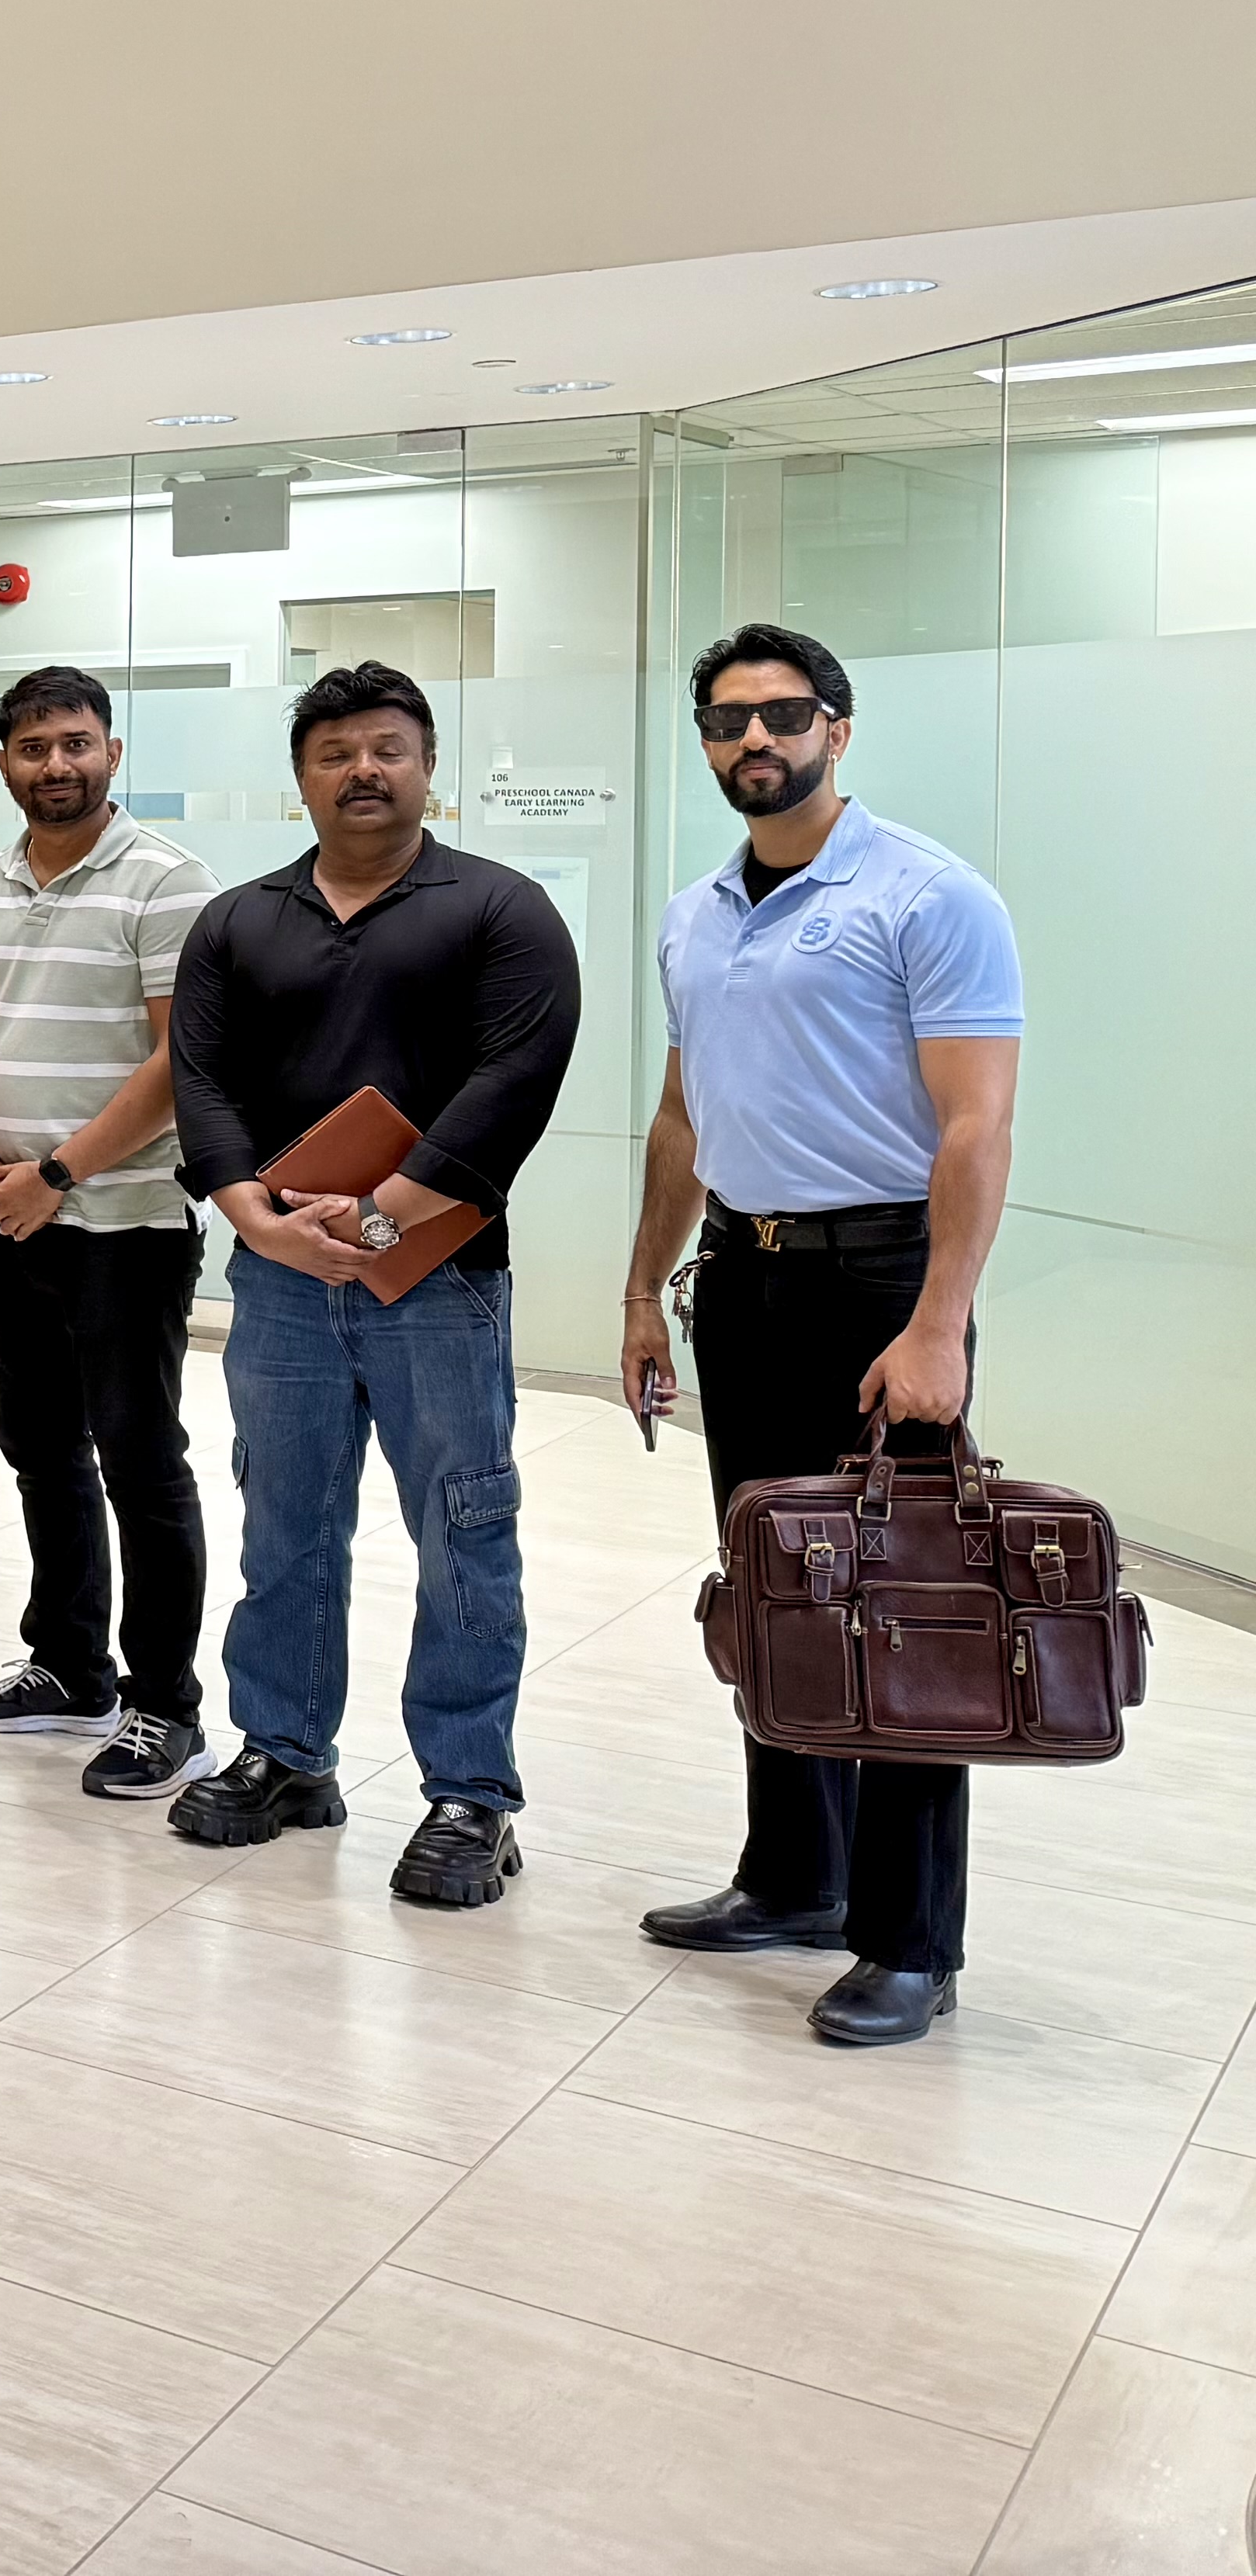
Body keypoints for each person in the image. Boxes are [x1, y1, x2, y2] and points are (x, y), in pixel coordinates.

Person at [621, 624, 1019, 2047]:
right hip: (743, 1274)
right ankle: (794, 1875)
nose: (755, 739)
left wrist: (937, 1322)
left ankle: (910, 1940)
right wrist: (642, 1291)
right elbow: (683, 1115)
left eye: (784, 715)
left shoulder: (927, 893)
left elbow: (975, 1125)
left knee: (902, 1599)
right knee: (775, 1582)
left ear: (836, 730)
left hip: (881, 1283)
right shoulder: (694, 914)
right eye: (727, 719)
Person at [166, 661, 580, 1905]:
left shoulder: (502, 910)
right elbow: (201, 1077)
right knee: (285, 1521)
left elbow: (515, 1079)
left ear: (428, 766)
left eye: (388, 748)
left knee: (463, 1532)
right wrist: (253, 1214)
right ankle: (286, 1754)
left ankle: (471, 1795)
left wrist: (385, 1214)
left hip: (439, 1278)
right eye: (335, 752)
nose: (363, 770)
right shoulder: (238, 921)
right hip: (281, 1281)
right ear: (300, 776)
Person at [0, 666, 220, 1801]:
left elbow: (179, 1061)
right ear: (6, 762)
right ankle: (68, 1666)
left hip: (125, 1221)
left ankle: (165, 1707)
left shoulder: (168, 881)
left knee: (141, 1462)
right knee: (40, 1451)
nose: (57, 764)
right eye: (35, 747)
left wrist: (55, 1173)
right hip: (12, 1219)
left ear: (112, 752)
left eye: (77, 744)